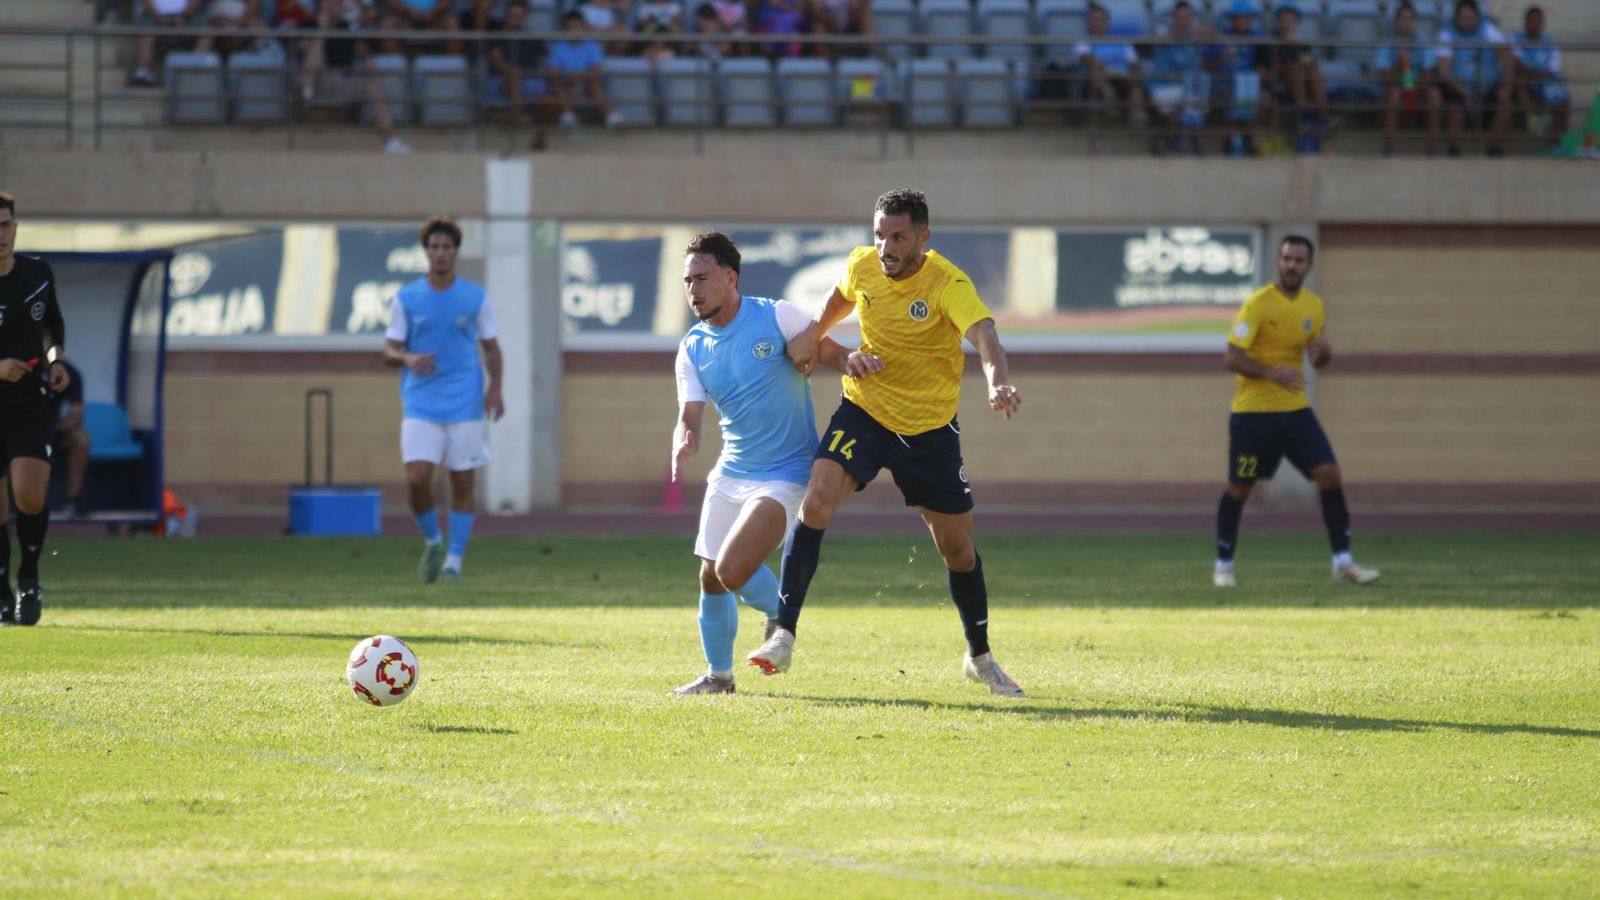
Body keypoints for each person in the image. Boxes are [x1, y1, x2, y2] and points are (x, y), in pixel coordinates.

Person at [747, 189, 1026, 698]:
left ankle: (980, 657)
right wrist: (816, 333)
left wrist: (995, 382)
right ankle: (782, 635)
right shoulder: (863, 266)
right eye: (879, 235)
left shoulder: (947, 283)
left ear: (923, 237)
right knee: (816, 501)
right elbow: (842, 296)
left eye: (897, 237)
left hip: (930, 434)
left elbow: (985, 335)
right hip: (866, 413)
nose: (885, 247)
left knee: (959, 551)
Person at [669, 232, 849, 695]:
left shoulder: (776, 315)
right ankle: (718, 677)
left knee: (731, 569)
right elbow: (689, 415)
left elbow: (828, 352)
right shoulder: (692, 347)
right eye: (688, 280)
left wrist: (858, 362)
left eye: (703, 278)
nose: (694, 289)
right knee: (710, 576)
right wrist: (684, 438)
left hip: (787, 474)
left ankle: (780, 616)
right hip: (731, 472)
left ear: (731, 277)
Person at [1213, 235, 1379, 589]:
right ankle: (1224, 565)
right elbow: (1231, 357)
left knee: (1330, 475)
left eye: (1299, 260)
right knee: (1239, 489)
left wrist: (1325, 354)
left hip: (1295, 412)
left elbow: (1316, 356)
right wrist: (1273, 373)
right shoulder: (1258, 304)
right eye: (1287, 258)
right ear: (1278, 263)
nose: (1292, 265)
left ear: (1309, 266)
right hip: (1253, 415)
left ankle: (1342, 562)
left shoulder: (1314, 307)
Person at [382, 217, 504, 584]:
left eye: (446, 247)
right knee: (418, 479)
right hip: (420, 402)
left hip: (465, 402)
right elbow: (389, 350)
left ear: (455, 251)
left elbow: (492, 348)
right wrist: (407, 358)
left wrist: (495, 387)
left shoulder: (475, 298)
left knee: (462, 483)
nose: (440, 253)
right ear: (426, 252)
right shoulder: (406, 298)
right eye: (434, 247)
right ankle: (433, 540)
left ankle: (453, 562)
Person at [0, 192, 73, 627]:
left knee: (29, 495)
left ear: (15, 228)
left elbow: (52, 325)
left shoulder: (37, 273)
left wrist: (55, 360)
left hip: (28, 403)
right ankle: (1, 589)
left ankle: (30, 577)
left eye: (5, 225)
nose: (0, 235)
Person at [298, 0, 412, 152]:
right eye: (327, 3)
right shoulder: (307, 25)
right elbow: (305, 49)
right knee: (316, 54)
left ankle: (390, 141)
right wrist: (322, 29)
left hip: (339, 80)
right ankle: (307, 92)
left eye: (336, 4)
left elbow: (361, 48)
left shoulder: (348, 28)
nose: (331, 7)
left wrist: (367, 58)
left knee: (373, 87)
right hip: (313, 77)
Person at [1434, 0, 1515, 156]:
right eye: (1463, 17)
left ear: (1477, 17)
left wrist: (1506, 88)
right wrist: (1463, 91)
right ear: (1456, 19)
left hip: (1489, 87)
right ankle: (1454, 151)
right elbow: (1444, 72)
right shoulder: (1447, 34)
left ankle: (1494, 149)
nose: (1468, 21)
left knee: (1506, 104)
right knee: (1454, 108)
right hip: (1458, 87)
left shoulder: (1489, 30)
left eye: (1471, 17)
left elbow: (1508, 59)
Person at [1375, 2, 1443, 156]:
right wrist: (1399, 66)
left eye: (1411, 19)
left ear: (1416, 22)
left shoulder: (1424, 42)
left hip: (1419, 88)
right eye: (1403, 19)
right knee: (1394, 94)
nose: (1407, 23)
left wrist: (1413, 87)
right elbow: (1385, 77)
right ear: (1396, 21)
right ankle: (1388, 146)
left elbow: (1428, 73)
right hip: (1396, 87)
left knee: (1435, 95)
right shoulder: (1387, 44)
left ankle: (1433, 147)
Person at [486, 1, 554, 150]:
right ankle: (521, 115)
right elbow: (496, 60)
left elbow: (549, 52)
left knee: (552, 99)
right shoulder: (496, 37)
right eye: (512, 15)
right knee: (513, 76)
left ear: (525, 18)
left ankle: (540, 138)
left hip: (529, 81)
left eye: (519, 16)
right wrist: (511, 70)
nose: (515, 19)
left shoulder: (530, 37)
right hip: (500, 82)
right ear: (506, 16)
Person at [1073, 3, 1147, 126]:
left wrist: (1133, 73)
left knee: (1136, 84)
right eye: (1094, 19)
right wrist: (1101, 66)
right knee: (1097, 72)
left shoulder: (1121, 41)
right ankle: (1109, 99)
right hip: (1096, 80)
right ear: (1088, 23)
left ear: (1107, 22)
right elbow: (1084, 57)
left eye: (1101, 19)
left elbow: (1133, 62)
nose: (1097, 23)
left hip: (1121, 77)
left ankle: (1137, 118)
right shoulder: (1083, 42)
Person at [548, 11, 621, 129]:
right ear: (565, 29)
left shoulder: (591, 45)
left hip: (586, 83)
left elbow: (597, 69)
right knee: (559, 86)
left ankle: (611, 118)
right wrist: (570, 79)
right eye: (570, 27)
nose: (574, 30)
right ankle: (568, 118)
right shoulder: (558, 47)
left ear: (583, 28)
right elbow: (553, 72)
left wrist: (581, 77)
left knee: (595, 85)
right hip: (567, 83)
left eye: (577, 27)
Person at [1512, 5, 1570, 144]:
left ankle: (1555, 142)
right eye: (1531, 20)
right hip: (1524, 81)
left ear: (1542, 23)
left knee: (1563, 100)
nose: (1533, 24)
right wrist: (1534, 73)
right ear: (1525, 22)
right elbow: (1517, 63)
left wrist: (1540, 75)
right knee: (1521, 79)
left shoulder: (1550, 42)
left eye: (1537, 21)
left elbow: (1554, 69)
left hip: (1543, 81)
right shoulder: (1515, 38)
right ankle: (1531, 118)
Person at [132, 0, 208, 87]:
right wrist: (160, 19)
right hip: (154, 15)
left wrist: (183, 17)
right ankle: (143, 73)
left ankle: (196, 70)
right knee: (146, 34)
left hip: (188, 15)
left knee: (207, 33)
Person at [50, 359, 89, 519]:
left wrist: (55, 428)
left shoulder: (67, 372)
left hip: (53, 430)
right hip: (23, 430)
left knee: (80, 439)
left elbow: (76, 415)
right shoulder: (21, 367)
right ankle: (10, 505)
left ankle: (74, 502)